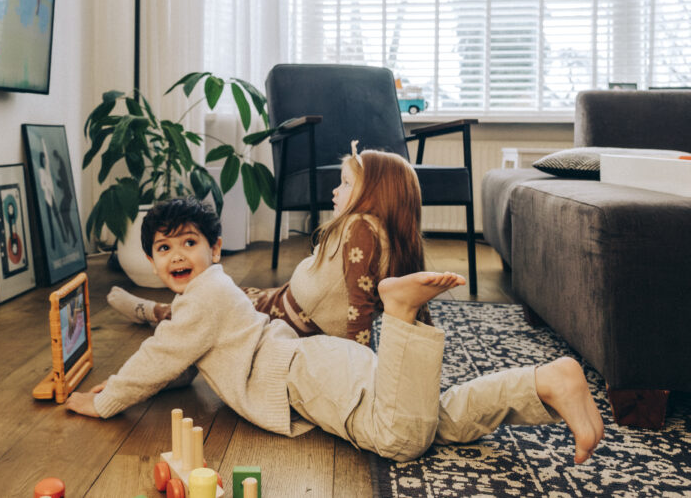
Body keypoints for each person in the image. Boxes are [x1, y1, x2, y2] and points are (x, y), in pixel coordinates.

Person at [67, 197, 604, 464]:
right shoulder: (211, 298)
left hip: (301, 376)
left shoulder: (202, 297)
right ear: (152, 261)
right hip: (320, 365)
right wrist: (158, 385)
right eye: (163, 248)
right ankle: (544, 383)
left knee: (398, 439)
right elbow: (181, 364)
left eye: (188, 242)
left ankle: (398, 314)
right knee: (433, 419)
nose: (176, 255)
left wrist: (104, 400)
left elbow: (159, 356)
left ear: (215, 250)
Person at [108, 143, 431, 344]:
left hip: (283, 316)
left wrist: (360, 361)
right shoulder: (384, 234)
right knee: (233, 293)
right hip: (283, 301)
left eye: (345, 183)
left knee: (210, 307)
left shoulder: (361, 227)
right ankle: (152, 310)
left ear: (376, 192)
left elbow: (359, 305)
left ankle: (152, 311)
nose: (335, 191)